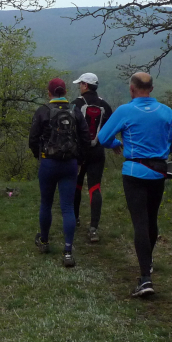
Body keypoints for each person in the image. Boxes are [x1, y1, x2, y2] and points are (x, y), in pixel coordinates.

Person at [97, 72, 172, 297]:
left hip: (134, 172)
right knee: (151, 219)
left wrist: (117, 143)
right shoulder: (166, 111)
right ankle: (147, 262)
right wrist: (163, 145)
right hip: (158, 172)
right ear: (152, 89)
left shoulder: (125, 111)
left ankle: (145, 278)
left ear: (132, 89)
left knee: (140, 223)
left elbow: (103, 137)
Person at [28, 77, 90, 267]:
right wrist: (79, 160)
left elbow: (33, 139)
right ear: (65, 92)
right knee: (67, 207)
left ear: (49, 93)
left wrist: (39, 156)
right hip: (69, 164)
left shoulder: (43, 111)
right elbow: (85, 139)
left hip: (48, 163)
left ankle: (45, 241)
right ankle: (68, 251)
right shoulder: (75, 111)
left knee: (46, 203)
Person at [71, 72, 113, 243]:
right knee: (95, 188)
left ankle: (74, 219)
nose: (79, 87)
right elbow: (109, 129)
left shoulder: (76, 104)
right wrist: (114, 144)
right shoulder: (105, 105)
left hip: (79, 152)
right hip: (98, 152)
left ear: (85, 86)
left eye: (80, 84)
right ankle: (94, 228)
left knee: (77, 186)